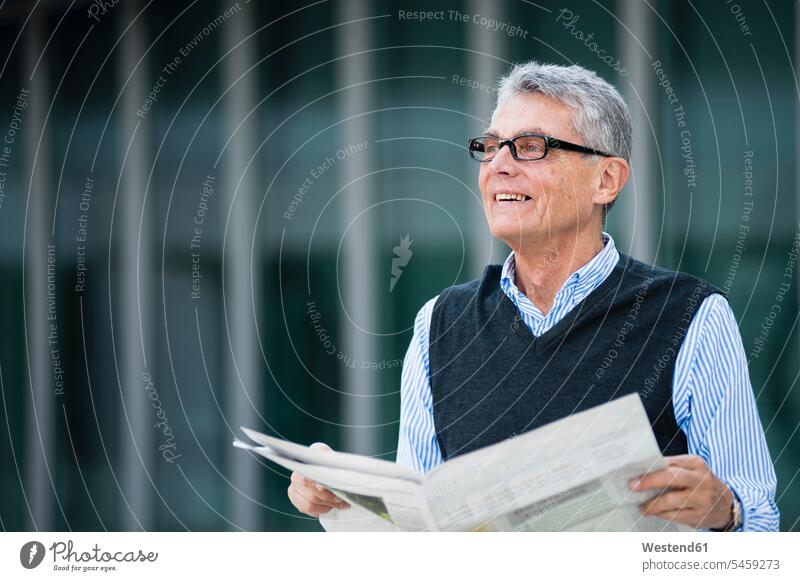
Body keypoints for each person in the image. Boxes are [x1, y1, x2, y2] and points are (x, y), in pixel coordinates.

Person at [288, 61, 779, 531]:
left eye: (530, 146)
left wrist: (726, 511)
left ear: (605, 180)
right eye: (493, 146)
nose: (498, 165)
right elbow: (421, 529)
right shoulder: (440, 322)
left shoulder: (691, 316)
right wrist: (346, 497)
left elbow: (762, 525)